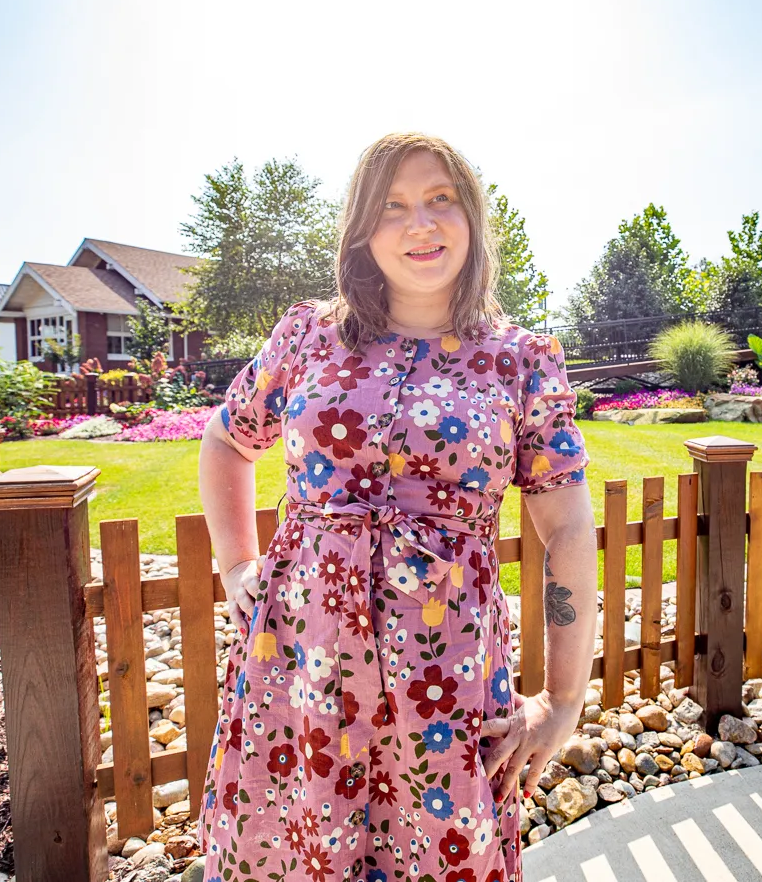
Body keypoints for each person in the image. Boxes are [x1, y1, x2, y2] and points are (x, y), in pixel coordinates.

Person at [196, 132, 598, 882]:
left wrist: (564, 697)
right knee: (293, 846)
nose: (421, 223)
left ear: (471, 218)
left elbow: (568, 524)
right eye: (394, 207)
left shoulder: (520, 360)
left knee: (444, 850)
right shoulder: (307, 336)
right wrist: (236, 562)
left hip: (446, 679)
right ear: (362, 231)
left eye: (440, 200)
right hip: (300, 668)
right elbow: (226, 440)